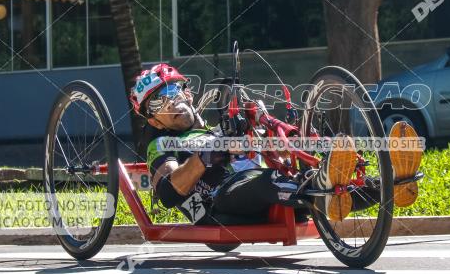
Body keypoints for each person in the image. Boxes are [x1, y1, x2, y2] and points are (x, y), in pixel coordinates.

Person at [129, 63, 421, 226]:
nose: (171, 102)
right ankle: (328, 189)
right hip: (219, 206)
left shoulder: (216, 129)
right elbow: (168, 192)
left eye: (172, 90)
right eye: (158, 101)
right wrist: (207, 154)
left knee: (301, 176)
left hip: (269, 198)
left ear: (188, 93)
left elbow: (269, 150)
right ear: (153, 120)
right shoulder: (163, 143)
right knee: (272, 180)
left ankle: (390, 182)